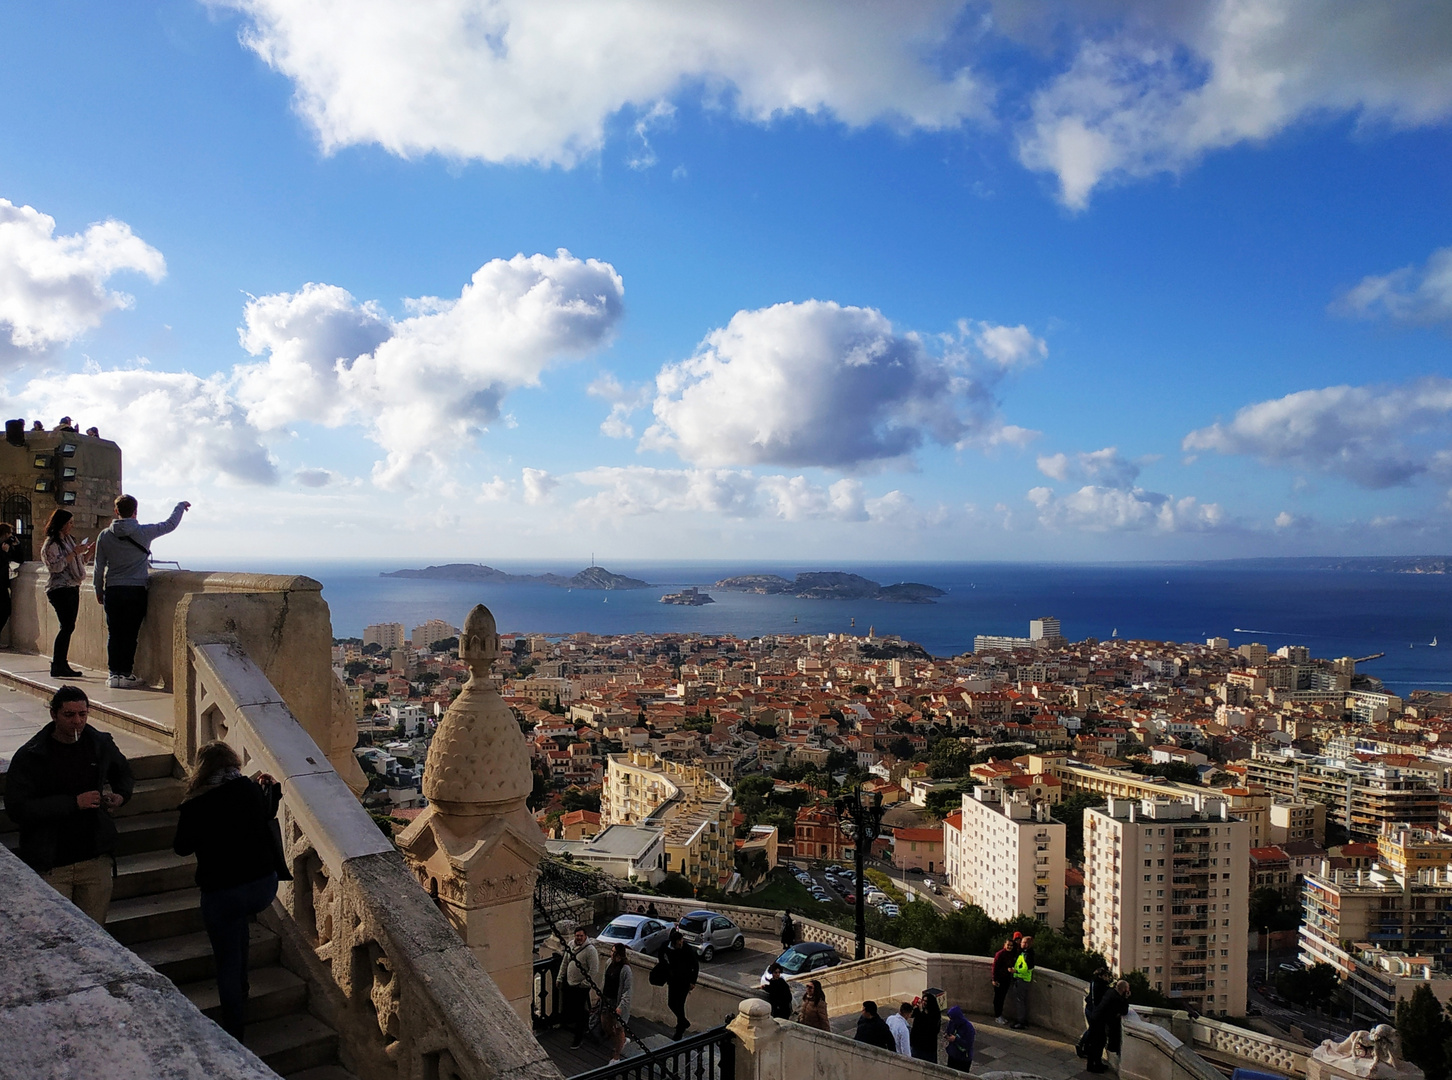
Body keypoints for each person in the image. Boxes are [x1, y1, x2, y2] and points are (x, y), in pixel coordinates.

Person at [172, 741, 282, 1041]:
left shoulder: (196, 803)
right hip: (263, 885)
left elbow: (181, 848)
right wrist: (270, 789)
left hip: (223, 891)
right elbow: (267, 814)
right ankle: (244, 989)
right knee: (238, 927)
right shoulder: (247, 789)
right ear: (233, 763)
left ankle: (234, 1029)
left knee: (226, 960)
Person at [5, 685, 132, 923]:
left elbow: (123, 771)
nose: (77, 721)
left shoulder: (98, 743)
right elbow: (18, 808)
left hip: (94, 860)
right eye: (69, 715)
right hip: (53, 864)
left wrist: (121, 795)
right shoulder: (32, 755)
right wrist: (73, 803)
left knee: (95, 932)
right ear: (54, 715)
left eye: (82, 714)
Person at [93, 494, 190, 689]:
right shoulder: (144, 532)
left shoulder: (104, 535)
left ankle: (114, 674)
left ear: (116, 511)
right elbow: (169, 524)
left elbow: (99, 566)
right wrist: (180, 506)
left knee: (114, 633)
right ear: (135, 511)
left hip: (112, 589)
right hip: (135, 589)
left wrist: (98, 589)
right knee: (130, 634)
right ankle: (126, 674)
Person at [40, 509, 92, 678]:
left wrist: (87, 552)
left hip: (72, 586)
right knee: (67, 626)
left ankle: (61, 663)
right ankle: (58, 664)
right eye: (69, 522)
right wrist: (74, 553)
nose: (72, 526)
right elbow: (55, 567)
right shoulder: (51, 544)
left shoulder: (69, 540)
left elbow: (77, 562)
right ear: (61, 523)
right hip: (60, 589)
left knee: (69, 626)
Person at [562, 926, 601, 1049]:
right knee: (575, 1009)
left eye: (581, 936)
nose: (578, 938)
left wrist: (584, 984)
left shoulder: (590, 950)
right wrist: (559, 977)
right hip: (570, 984)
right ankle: (585, 1027)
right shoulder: (571, 945)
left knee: (579, 1011)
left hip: (581, 987)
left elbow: (594, 970)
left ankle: (578, 1037)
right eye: (577, 935)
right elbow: (565, 962)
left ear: (585, 936)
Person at [1083, 979, 1132, 1073]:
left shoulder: (1111, 992)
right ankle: (1092, 1066)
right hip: (1098, 1021)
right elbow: (1124, 1010)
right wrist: (1126, 998)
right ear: (1125, 989)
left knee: (1098, 1043)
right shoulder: (1116, 998)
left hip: (1096, 1018)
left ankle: (1097, 1063)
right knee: (1097, 1044)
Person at [661, 930, 699, 1039]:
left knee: (680, 1004)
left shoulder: (686, 948)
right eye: (679, 941)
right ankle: (683, 1022)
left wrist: (693, 981)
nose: (681, 943)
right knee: (671, 1003)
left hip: (685, 981)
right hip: (673, 980)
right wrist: (666, 967)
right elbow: (661, 956)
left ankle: (679, 1030)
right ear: (674, 942)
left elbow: (695, 965)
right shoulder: (666, 946)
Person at [600, 942, 633, 1064]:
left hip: (617, 1002)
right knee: (605, 1024)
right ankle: (621, 1041)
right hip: (607, 999)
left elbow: (627, 990)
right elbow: (605, 980)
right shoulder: (609, 963)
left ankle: (616, 1056)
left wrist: (621, 1007)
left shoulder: (626, 970)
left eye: (614, 952)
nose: (611, 954)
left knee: (619, 1028)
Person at [0, 523, 24, 643]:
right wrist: (4, 552)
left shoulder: (6, 546)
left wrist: (17, 546)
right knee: (4, 610)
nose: (11, 536)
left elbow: (19, 560)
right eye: (9, 533)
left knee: (6, 610)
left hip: (3, 584)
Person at [1010, 933, 1036, 1029]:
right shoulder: (1026, 953)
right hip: (1023, 979)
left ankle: (1020, 1021)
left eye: (1023, 942)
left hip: (1021, 979)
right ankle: (1022, 1020)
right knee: (1022, 1001)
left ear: (1027, 944)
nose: (1021, 943)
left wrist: (1015, 971)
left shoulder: (1027, 954)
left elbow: (1025, 968)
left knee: (1019, 1001)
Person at [911, 988, 943, 1062]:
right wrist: (913, 1006)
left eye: (926, 1001)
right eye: (923, 1000)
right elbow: (911, 1015)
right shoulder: (919, 1010)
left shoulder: (935, 1014)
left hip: (928, 1046)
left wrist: (922, 1012)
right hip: (917, 1043)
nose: (924, 1003)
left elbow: (929, 1026)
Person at [991, 937, 1018, 1025]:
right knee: (998, 998)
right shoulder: (1000, 954)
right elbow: (994, 967)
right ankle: (997, 1016)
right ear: (1004, 945)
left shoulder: (1012, 954)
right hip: (999, 979)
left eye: (1011, 945)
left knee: (1002, 998)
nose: (1009, 947)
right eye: (1008, 945)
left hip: (1007, 979)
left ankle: (1000, 1015)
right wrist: (994, 979)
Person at [944, 1005, 975, 1073]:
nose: (951, 1020)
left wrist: (956, 1039)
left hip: (963, 1058)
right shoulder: (952, 1023)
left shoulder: (968, 1028)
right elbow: (949, 1030)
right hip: (953, 1054)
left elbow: (968, 1044)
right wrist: (947, 1035)